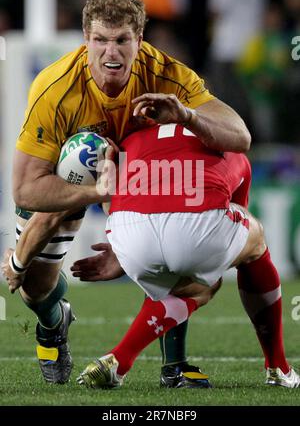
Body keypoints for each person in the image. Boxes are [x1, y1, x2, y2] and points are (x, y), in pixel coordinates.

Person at [3, 0, 251, 385]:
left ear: (139, 39)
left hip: (141, 174)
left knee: (179, 243)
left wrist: (187, 116)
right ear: (86, 41)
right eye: (100, 40)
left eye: (121, 40)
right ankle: (54, 321)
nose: (111, 52)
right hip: (77, 176)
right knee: (33, 286)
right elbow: (26, 190)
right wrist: (99, 194)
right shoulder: (55, 89)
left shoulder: (167, 73)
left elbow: (239, 136)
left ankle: (175, 366)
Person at [72, 123, 299, 389]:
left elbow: (110, 198)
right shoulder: (229, 140)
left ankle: (120, 362)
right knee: (254, 242)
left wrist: (123, 251)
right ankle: (278, 367)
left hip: (128, 231)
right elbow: (234, 231)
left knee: (193, 285)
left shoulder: (130, 139)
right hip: (196, 227)